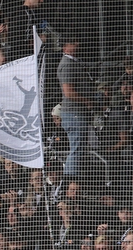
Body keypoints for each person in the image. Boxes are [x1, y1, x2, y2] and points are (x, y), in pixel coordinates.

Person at [57, 34, 94, 178]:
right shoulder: (67, 64)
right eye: (73, 42)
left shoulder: (74, 62)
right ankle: (70, 181)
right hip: (74, 114)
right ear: (65, 47)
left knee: (79, 149)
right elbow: (68, 92)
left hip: (77, 114)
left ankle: (75, 180)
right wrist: (88, 101)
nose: (77, 44)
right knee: (76, 149)